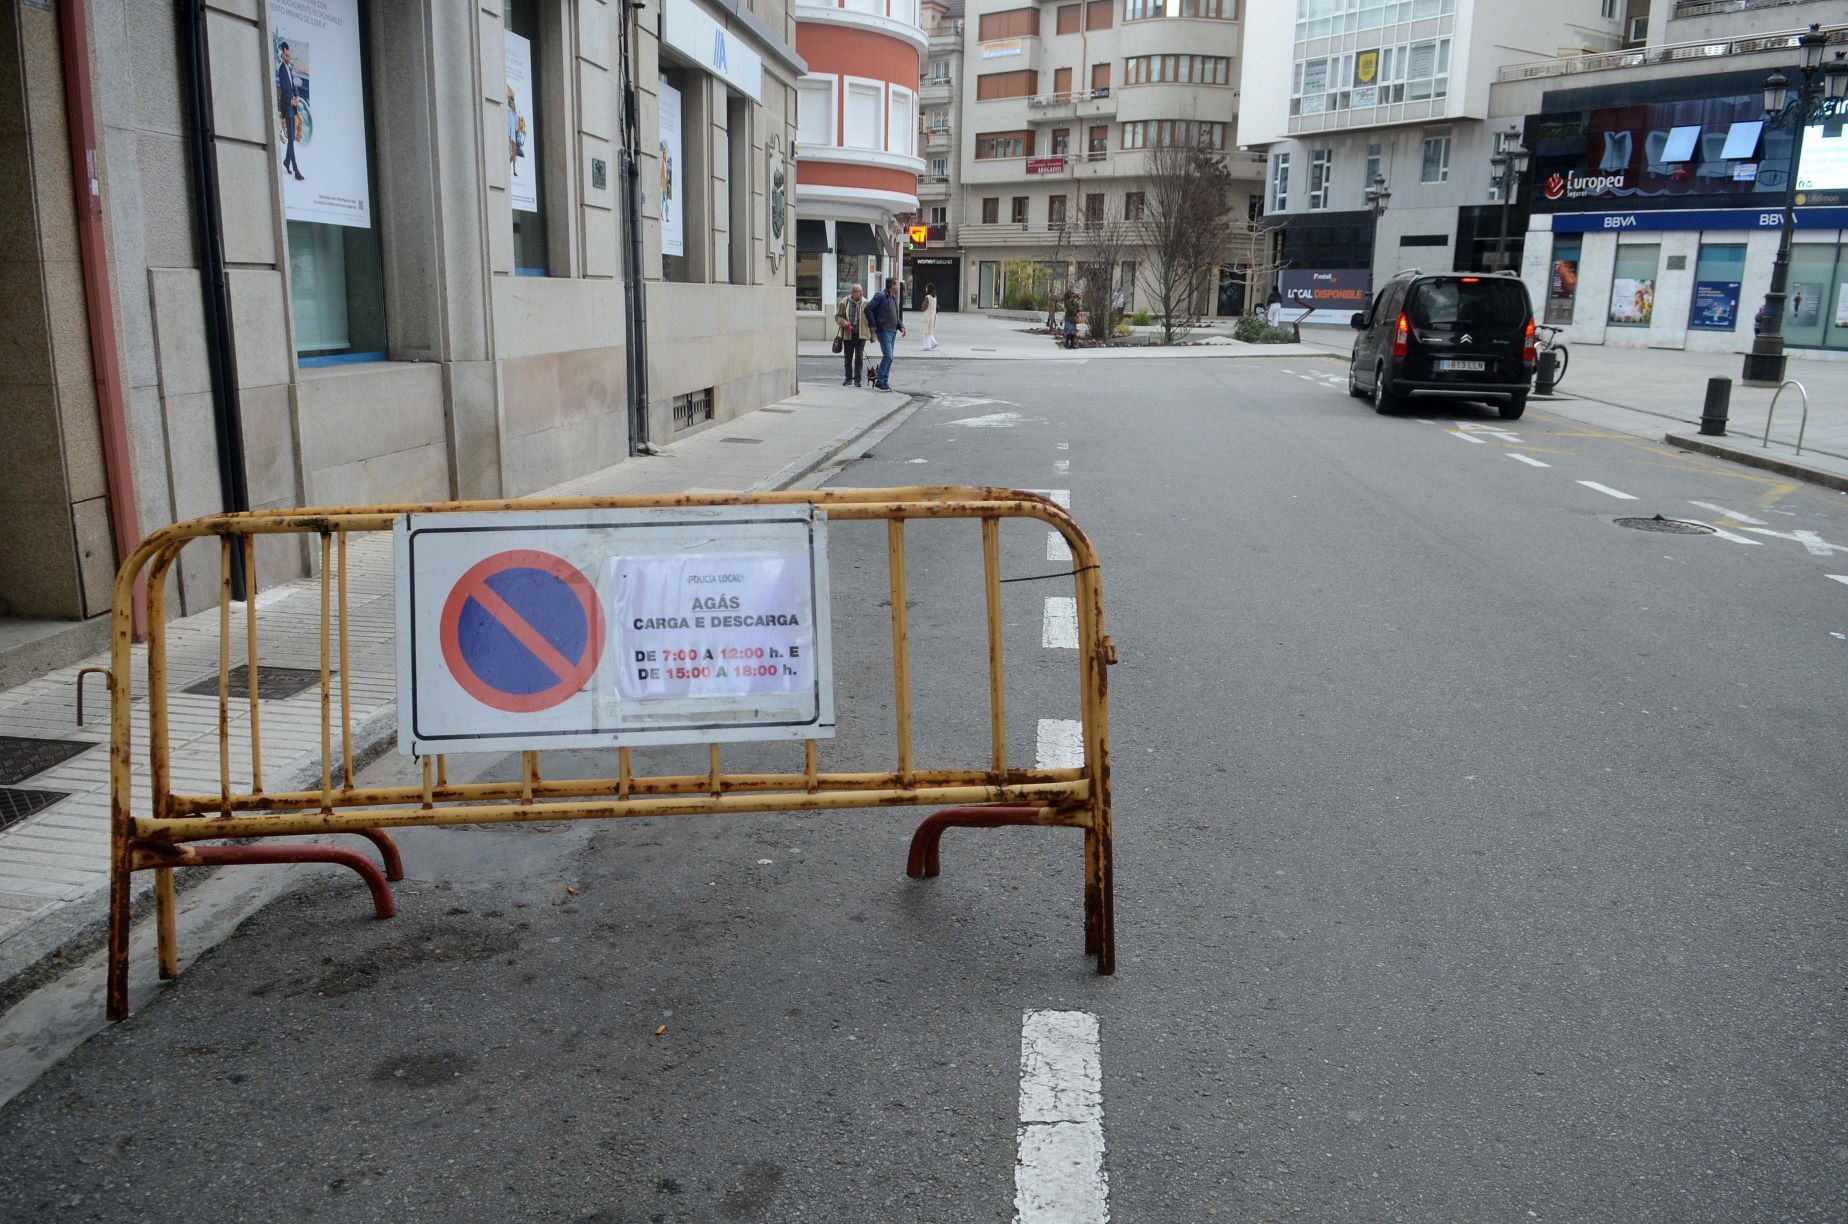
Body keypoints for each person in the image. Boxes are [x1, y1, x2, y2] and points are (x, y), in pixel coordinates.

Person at [866, 277, 906, 391]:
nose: (898, 287)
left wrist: (901, 326)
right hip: (883, 330)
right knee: (888, 356)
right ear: (892, 286)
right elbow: (868, 309)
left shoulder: (892, 298)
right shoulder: (880, 296)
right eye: (897, 285)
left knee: (890, 357)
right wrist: (873, 325)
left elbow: (895, 316)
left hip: (892, 331)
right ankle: (881, 381)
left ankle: (884, 381)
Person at [834, 283, 872, 387]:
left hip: (861, 335)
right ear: (852, 292)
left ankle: (858, 380)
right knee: (848, 358)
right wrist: (843, 322)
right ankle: (848, 379)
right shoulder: (845, 302)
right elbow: (837, 316)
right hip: (848, 334)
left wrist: (873, 335)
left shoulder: (866, 303)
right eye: (859, 291)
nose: (861, 293)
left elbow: (871, 320)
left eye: (861, 291)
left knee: (859, 358)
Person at [276, 42, 304, 182]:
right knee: (292, 138)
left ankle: (287, 161)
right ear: (282, 53)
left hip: (293, 106)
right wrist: (290, 101)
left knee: (292, 138)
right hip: (287, 107)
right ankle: (296, 170)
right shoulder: (281, 69)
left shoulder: (290, 67)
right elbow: (283, 91)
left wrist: (297, 97)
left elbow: (293, 86)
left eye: (289, 55)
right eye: (286, 55)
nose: (288, 57)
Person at [920, 285, 939, 350]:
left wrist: (922, 308)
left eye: (926, 287)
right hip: (933, 316)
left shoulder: (928, 297)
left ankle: (927, 346)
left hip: (928, 316)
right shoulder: (934, 297)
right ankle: (933, 342)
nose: (925, 289)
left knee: (926, 331)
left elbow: (924, 307)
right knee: (930, 331)